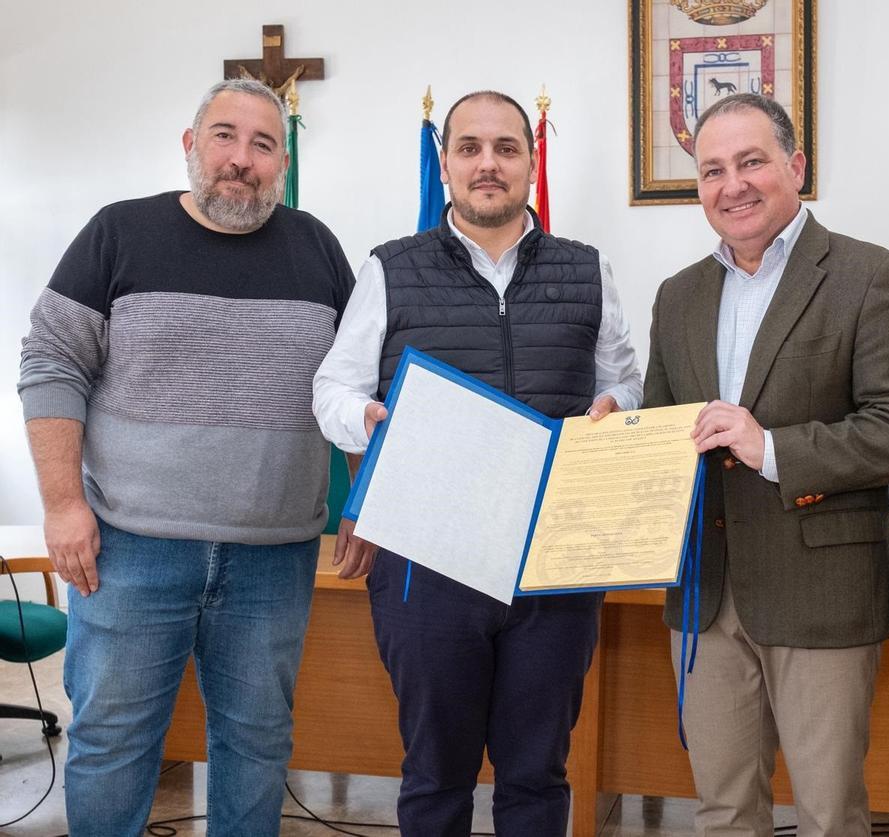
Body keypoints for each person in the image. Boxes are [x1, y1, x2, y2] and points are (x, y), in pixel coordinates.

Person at [16, 78, 369, 837]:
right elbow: (51, 362)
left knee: (258, 743)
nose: (241, 158)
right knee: (112, 742)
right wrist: (63, 504)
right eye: (224, 136)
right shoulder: (119, 233)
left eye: (264, 144)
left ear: (282, 162)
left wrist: (365, 500)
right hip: (128, 550)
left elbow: (356, 389)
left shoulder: (318, 249)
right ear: (190, 144)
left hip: (274, 557)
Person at [312, 89, 642, 836]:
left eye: (506, 148)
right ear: (446, 164)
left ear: (531, 162)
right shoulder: (390, 268)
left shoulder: (588, 270)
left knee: (537, 774)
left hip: (555, 559)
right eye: (469, 148)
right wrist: (368, 420)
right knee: (435, 774)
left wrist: (615, 405)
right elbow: (332, 388)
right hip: (424, 560)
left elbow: (625, 381)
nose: (487, 164)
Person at [641, 93, 889, 836]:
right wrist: (620, 440)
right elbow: (664, 432)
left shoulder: (868, 274)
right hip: (705, 594)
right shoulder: (678, 296)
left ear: (796, 167)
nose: (732, 185)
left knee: (829, 814)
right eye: (712, 170)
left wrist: (770, 447)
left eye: (751, 162)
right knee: (722, 810)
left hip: (822, 591)